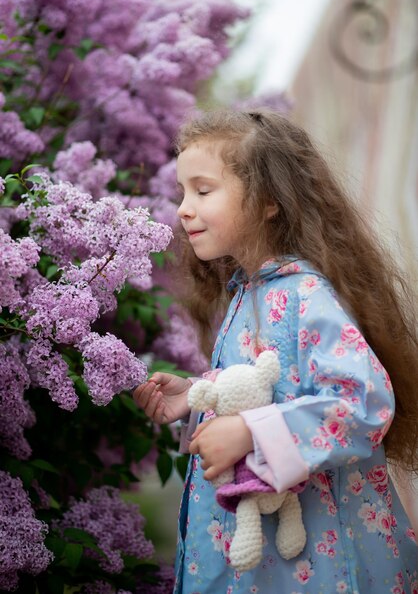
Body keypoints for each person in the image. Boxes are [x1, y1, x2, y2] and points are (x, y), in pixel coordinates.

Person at [133, 110, 418, 593]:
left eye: (203, 190)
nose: (183, 208)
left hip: (313, 562)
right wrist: (199, 396)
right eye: (183, 192)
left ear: (268, 200)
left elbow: (363, 402)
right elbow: (270, 387)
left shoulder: (304, 294)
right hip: (262, 554)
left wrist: (249, 432)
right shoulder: (251, 292)